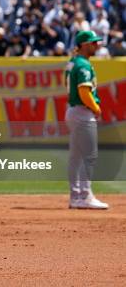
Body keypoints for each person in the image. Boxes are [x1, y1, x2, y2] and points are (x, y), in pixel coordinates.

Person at [64, 30, 109, 210]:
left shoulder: (73, 62)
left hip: (73, 111)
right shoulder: (82, 64)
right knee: (88, 156)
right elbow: (84, 92)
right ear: (83, 44)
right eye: (93, 42)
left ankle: (76, 197)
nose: (96, 45)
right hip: (83, 112)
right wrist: (96, 108)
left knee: (76, 157)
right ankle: (85, 196)